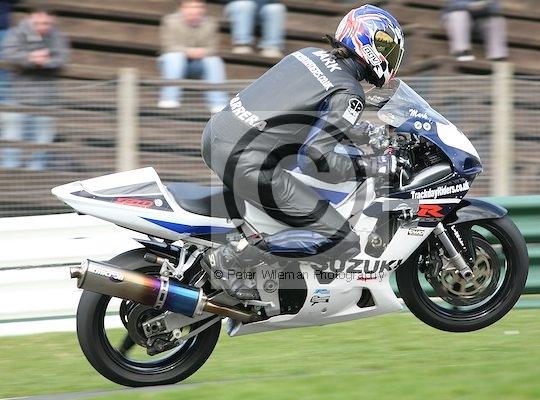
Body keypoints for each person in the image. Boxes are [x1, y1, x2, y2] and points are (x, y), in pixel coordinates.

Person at [201, 5, 405, 299]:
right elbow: (316, 159)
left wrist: (365, 133)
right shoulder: (349, 91)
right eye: (389, 49)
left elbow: (302, 114)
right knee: (341, 239)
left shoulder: (308, 55)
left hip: (216, 135)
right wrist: (373, 167)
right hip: (248, 162)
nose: (391, 59)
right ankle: (233, 257)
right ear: (370, 44)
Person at [1, 6, 69, 170]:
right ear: (30, 19)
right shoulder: (16, 33)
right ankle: (9, 169)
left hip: (47, 97)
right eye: (37, 23)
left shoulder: (58, 36)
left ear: (52, 21)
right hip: (16, 95)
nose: (42, 27)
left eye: (46, 23)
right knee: (12, 136)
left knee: (42, 139)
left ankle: (36, 169)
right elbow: (9, 55)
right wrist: (30, 58)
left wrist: (45, 62)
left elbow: (62, 59)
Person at [158, 0, 227, 112]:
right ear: (182, 9)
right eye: (190, 7)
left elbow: (213, 48)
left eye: (198, 7)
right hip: (172, 64)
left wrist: (201, 53)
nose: (194, 10)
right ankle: (169, 99)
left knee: (214, 61)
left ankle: (219, 104)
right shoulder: (170, 21)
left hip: (199, 65)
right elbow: (168, 46)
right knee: (175, 57)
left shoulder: (210, 23)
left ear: (203, 9)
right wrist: (188, 51)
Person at [442, 0, 508, 61]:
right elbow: (451, 6)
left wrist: (484, 6)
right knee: (458, 15)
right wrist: (469, 6)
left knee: (495, 20)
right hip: (457, 20)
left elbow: (496, 10)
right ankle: (461, 51)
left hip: (480, 20)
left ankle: (497, 56)